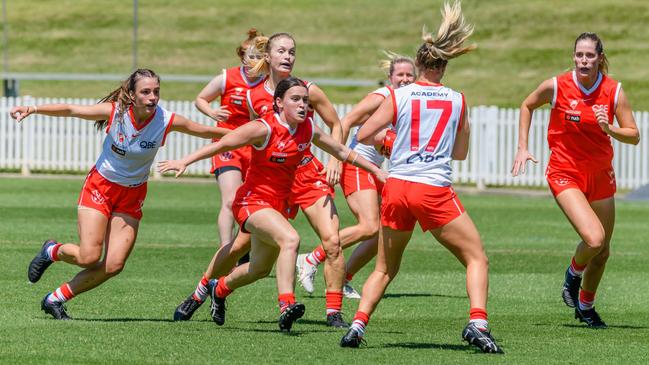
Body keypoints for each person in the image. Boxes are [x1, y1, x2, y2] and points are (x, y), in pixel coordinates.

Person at [159, 77, 386, 332]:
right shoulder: (263, 128)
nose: (303, 105)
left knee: (258, 269)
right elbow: (223, 143)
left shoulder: (307, 128)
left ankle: (218, 289)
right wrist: (184, 162)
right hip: (252, 201)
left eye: (305, 101)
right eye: (296, 100)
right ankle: (286, 305)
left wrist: (375, 170)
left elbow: (342, 151)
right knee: (289, 239)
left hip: (277, 205)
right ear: (278, 103)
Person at [339, 1, 503, 353]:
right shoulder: (458, 100)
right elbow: (460, 154)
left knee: (384, 268)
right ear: (444, 65)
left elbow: (365, 134)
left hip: (396, 187)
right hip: (433, 190)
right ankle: (478, 322)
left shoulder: (401, 95)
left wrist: (391, 143)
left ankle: (357, 325)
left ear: (418, 64)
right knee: (477, 258)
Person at [15, 69, 230, 320]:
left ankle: (55, 298)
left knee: (114, 264)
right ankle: (52, 251)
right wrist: (33, 109)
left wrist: (253, 137)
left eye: (156, 92)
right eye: (146, 92)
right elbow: (71, 110)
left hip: (132, 195)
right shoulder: (115, 112)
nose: (152, 98)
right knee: (88, 256)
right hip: (100, 186)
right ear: (131, 94)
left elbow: (206, 132)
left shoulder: (166, 120)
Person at [173, 32, 351, 328]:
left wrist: (334, 161)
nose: (288, 57)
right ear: (268, 57)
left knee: (332, 241)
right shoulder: (255, 95)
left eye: (292, 52)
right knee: (243, 250)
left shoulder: (308, 89)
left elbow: (335, 124)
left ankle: (333, 313)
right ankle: (202, 291)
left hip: (306, 175)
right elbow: (256, 138)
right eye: (282, 51)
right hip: (271, 183)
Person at [511, 32, 639, 329]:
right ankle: (572, 274)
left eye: (590, 55)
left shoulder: (613, 91)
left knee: (603, 251)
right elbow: (527, 105)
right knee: (594, 239)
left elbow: (634, 135)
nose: (584, 60)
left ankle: (586, 306)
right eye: (579, 55)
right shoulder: (557, 85)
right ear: (574, 57)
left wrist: (610, 129)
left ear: (600, 58)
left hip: (600, 176)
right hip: (564, 172)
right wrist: (522, 146)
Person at [296, 53, 416, 299]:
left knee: (384, 230)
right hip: (357, 165)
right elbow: (345, 122)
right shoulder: (382, 96)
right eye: (400, 75)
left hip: (376, 169)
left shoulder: (408, 101)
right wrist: (335, 161)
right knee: (369, 226)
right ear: (390, 77)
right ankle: (311, 258)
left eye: (409, 75)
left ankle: (345, 278)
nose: (405, 79)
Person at [194, 28, 265, 249]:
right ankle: (226, 251)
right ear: (242, 57)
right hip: (228, 144)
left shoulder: (270, 83)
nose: (255, 61)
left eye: (260, 56)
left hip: (255, 148)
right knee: (230, 200)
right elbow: (201, 99)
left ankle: (245, 247)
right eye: (251, 56)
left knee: (253, 201)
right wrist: (212, 113)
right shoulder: (227, 78)